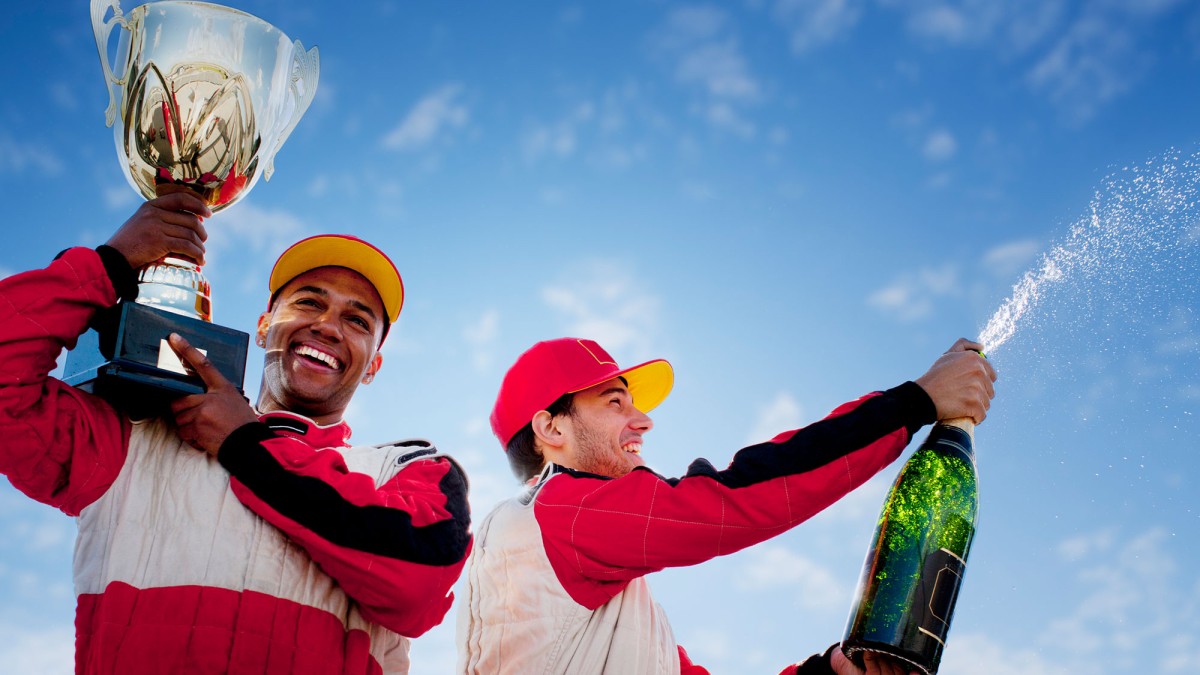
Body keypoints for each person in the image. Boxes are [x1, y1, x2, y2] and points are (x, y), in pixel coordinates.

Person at [0, 192, 472, 675]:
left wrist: (245, 444)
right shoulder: (133, 440)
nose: (328, 326)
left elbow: (421, 581)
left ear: (372, 366)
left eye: (356, 320)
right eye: (309, 302)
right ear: (265, 327)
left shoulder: (409, 471)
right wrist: (108, 267)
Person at [456, 336, 996, 675]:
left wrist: (829, 671)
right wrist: (915, 401)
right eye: (613, 401)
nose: (642, 420)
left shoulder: (614, 614)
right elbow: (731, 500)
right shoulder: (552, 514)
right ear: (550, 428)